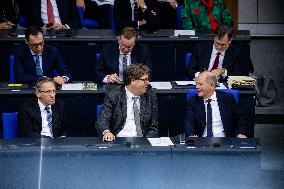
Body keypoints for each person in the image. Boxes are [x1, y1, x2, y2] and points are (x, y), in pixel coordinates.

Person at [96, 64, 159, 141]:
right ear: (133, 81)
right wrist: (106, 132)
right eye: (144, 80)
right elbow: (102, 120)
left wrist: (145, 142)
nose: (148, 83)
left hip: (143, 141)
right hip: (118, 141)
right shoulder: (114, 95)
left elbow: (154, 127)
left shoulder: (150, 96)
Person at [183, 71, 247, 138]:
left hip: (225, 141)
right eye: (196, 84)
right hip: (202, 142)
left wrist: (241, 133)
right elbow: (188, 122)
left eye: (200, 84)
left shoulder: (227, 98)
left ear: (212, 85)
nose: (196, 87)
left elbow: (240, 118)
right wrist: (190, 135)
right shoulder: (193, 101)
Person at [187, 26, 253, 81]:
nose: (219, 47)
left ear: (230, 41)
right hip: (202, 85)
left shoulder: (237, 53)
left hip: (225, 88)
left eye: (223, 45)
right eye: (217, 43)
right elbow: (190, 70)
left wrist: (223, 72)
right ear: (214, 38)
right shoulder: (200, 48)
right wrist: (202, 75)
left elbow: (240, 76)